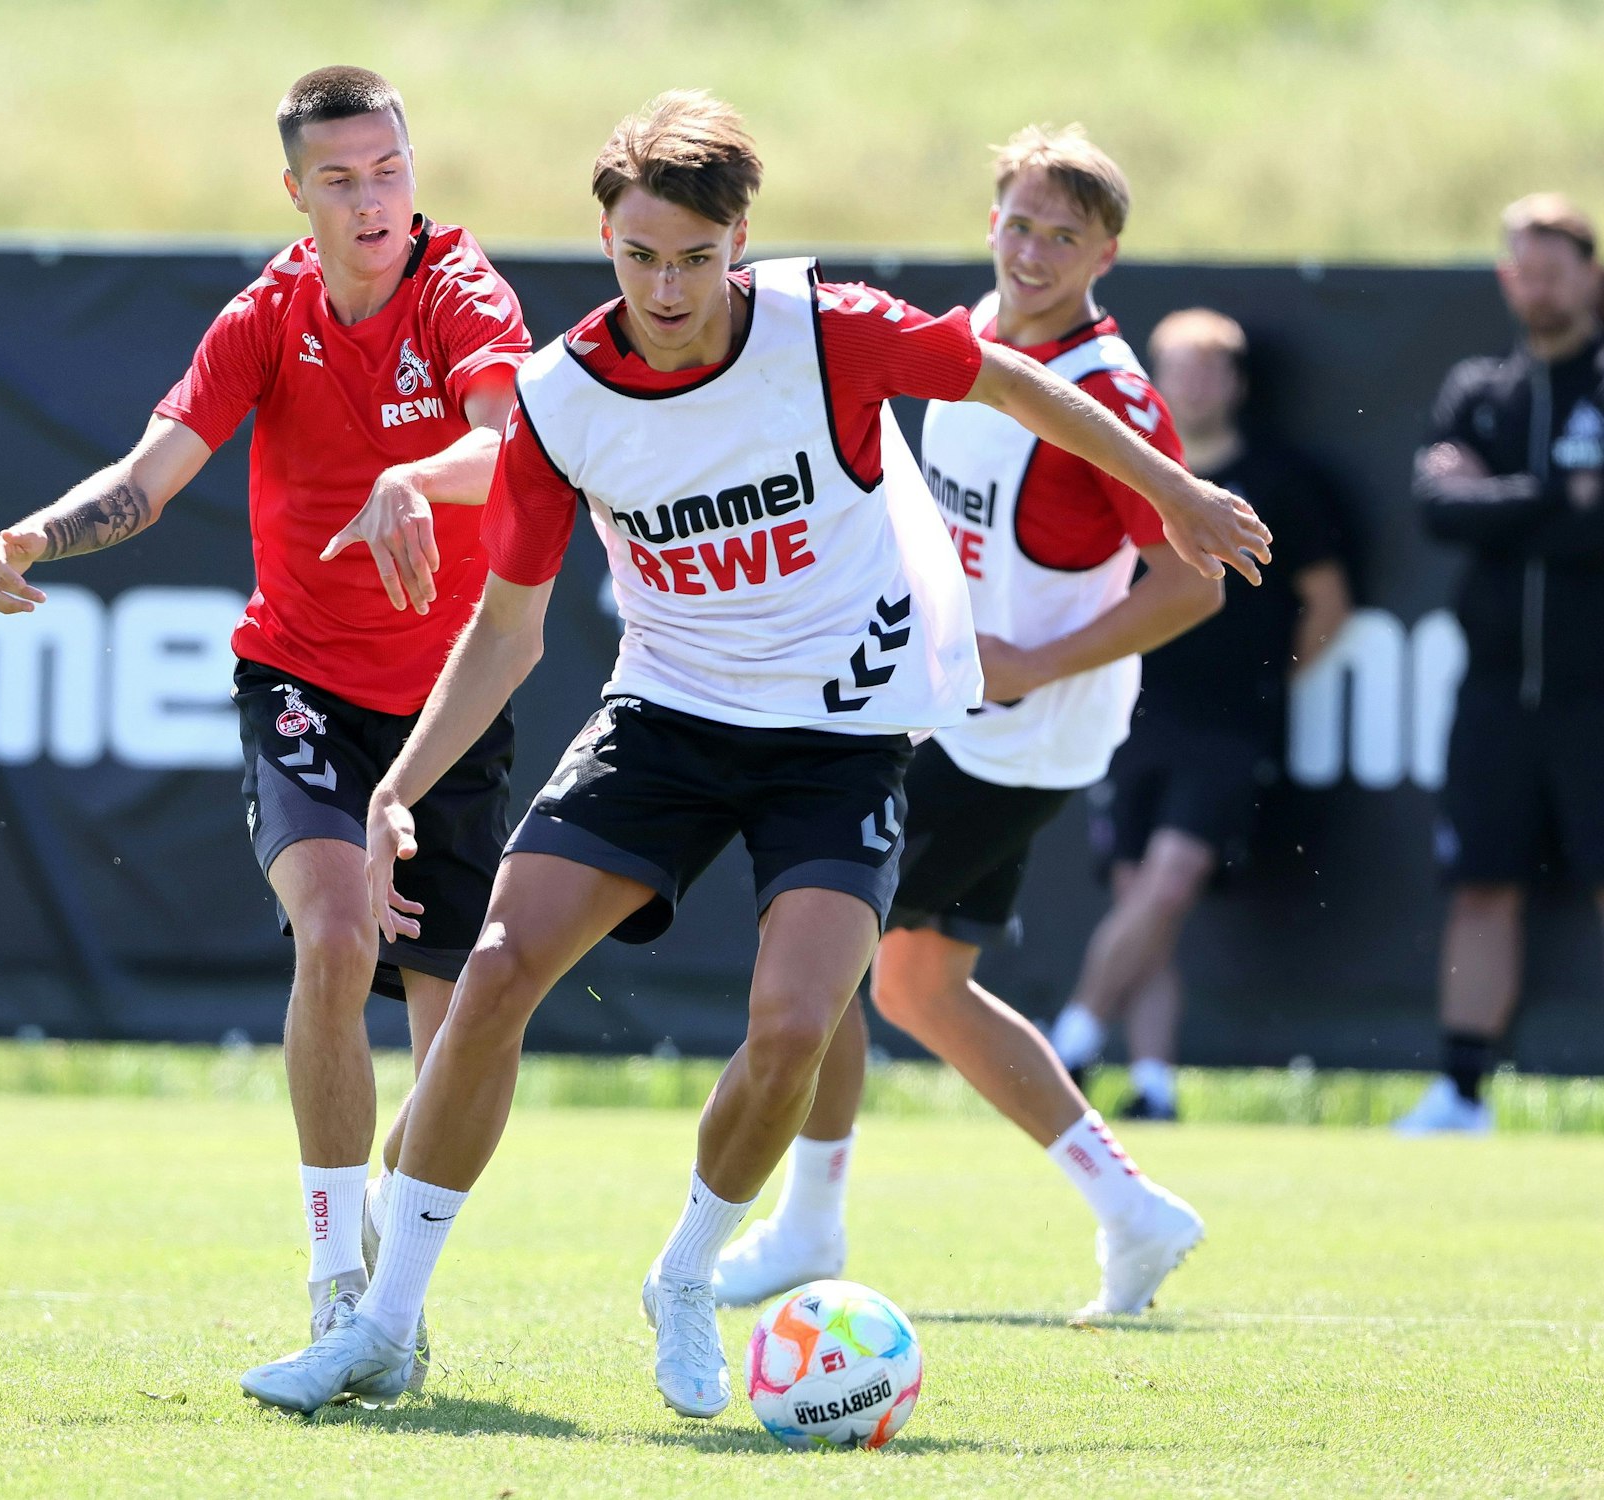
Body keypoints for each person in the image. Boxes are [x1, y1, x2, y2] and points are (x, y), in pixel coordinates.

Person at [236, 93, 1269, 1419]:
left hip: (839, 736)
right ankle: (382, 1324)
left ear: (739, 241)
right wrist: (394, 789)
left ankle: (684, 1274)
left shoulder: (827, 328)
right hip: (666, 719)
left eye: (693, 257)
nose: (666, 289)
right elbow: (506, 632)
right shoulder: (560, 400)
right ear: (605, 243)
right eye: (638, 256)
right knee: (493, 972)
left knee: (794, 1028)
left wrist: (1172, 490)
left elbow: (1007, 377)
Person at [0, 66, 531, 1380]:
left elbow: (509, 444)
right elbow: (151, 475)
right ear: (295, 192)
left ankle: (391, 1251)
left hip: (448, 709)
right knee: (333, 937)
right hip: (301, 684)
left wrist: (412, 476)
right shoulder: (269, 316)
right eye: (339, 179)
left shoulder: (462, 293)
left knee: (457, 1054)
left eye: (388, 169)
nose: (371, 199)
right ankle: (337, 1283)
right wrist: (36, 535)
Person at [713, 128, 1228, 1315]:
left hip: (1013, 732)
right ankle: (1132, 1211)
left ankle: (807, 1225)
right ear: (990, 220)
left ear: (1104, 254)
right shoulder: (973, 336)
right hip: (955, 709)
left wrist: (1029, 662)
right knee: (915, 984)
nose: (1032, 251)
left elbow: (1190, 585)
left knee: (821, 946)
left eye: (1062, 236)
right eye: (1018, 223)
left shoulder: (1110, 395)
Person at [1046, 309, 1354, 1121]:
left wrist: (1269, 678)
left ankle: (1071, 1038)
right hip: (1131, 709)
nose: (1197, 385)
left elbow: (1328, 603)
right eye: (1182, 368)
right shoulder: (1129, 467)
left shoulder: (1278, 481)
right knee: (1137, 898)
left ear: (1239, 384)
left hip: (1228, 724)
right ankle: (1155, 1081)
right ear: (1155, 378)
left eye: (1214, 369)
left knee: (1172, 882)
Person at [1394, 194, 1604, 1134]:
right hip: (1493, 696)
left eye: (1555, 269)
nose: (1539, 286)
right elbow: (1439, 508)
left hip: (1596, 698)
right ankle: (1462, 1092)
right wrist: (1562, 495)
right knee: (1481, 884)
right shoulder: (1477, 389)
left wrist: (1506, 504)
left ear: (1590, 276)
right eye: (1525, 269)